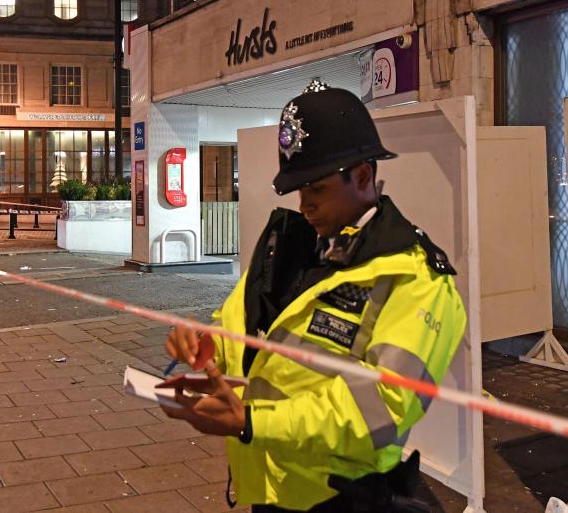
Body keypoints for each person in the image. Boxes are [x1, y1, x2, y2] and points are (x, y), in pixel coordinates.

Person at [164, 84, 466, 512]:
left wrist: (254, 422)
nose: (304, 205)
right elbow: (238, 331)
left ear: (362, 175)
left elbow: (384, 408)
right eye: (299, 190)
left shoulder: (416, 279)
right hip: (270, 488)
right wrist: (203, 348)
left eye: (317, 189)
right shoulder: (290, 247)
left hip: (342, 499)